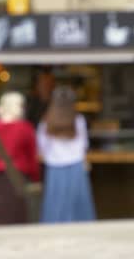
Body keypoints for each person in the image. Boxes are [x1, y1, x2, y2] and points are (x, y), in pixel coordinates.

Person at [37, 86, 95, 223]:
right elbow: (83, 145)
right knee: (78, 206)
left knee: (55, 204)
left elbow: (41, 146)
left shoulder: (46, 122)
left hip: (55, 167)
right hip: (76, 165)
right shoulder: (78, 120)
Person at [0, 92, 40, 224]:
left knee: (0, 210)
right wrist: (36, 177)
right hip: (19, 175)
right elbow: (32, 155)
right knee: (17, 213)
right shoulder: (25, 128)